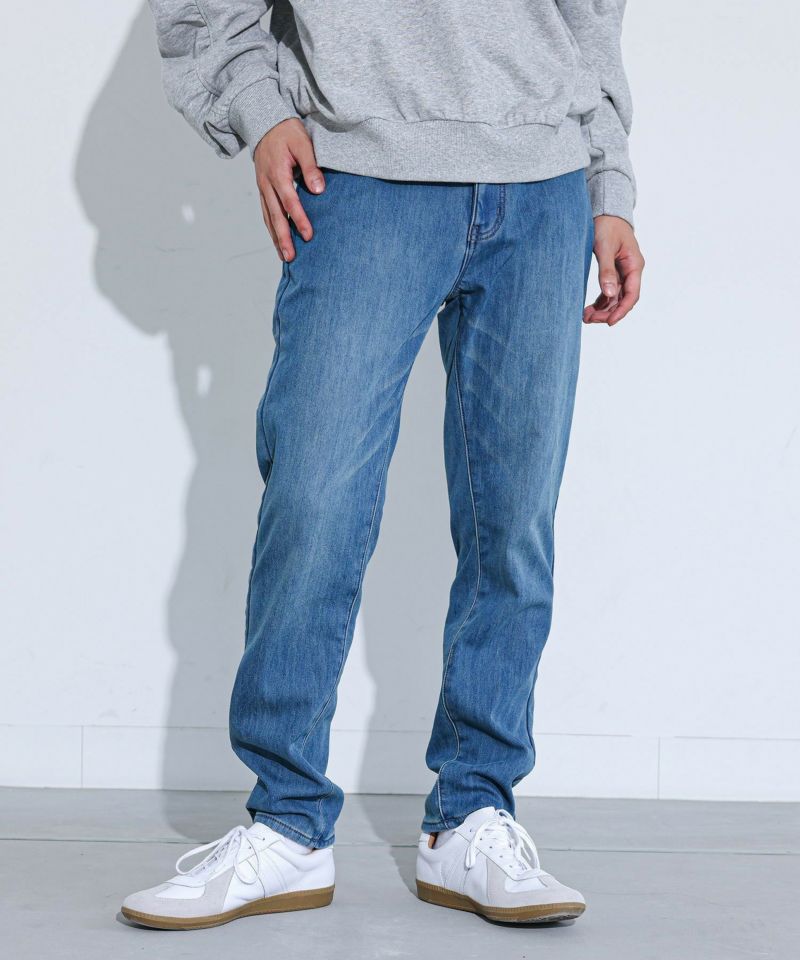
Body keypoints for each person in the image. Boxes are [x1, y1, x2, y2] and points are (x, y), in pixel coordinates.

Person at [122, 0, 644, 930]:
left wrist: (609, 181)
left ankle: (473, 813)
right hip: (358, 172)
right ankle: (287, 822)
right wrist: (260, 109)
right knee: (314, 501)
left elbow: (592, 16)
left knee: (514, 520)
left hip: (545, 184)